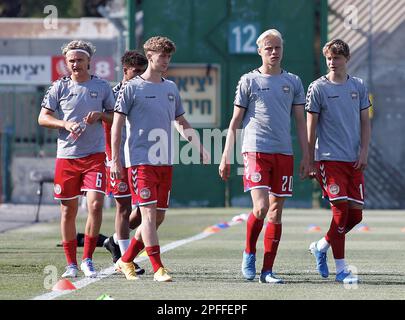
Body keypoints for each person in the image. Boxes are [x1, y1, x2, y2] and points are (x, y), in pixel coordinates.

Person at [111, 36, 209, 282]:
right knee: (149, 217)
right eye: (161, 55)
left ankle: (125, 260)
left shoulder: (171, 88)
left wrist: (199, 146)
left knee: (158, 217)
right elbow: (117, 124)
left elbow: (180, 121)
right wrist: (115, 159)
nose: (165, 60)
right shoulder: (131, 87)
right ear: (149, 55)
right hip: (140, 160)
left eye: (168, 56)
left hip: (164, 161)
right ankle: (158, 268)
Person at [219, 29, 310, 284]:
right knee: (259, 208)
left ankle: (267, 271)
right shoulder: (249, 80)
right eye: (268, 48)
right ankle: (249, 252)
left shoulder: (293, 81)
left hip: (284, 153)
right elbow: (236, 120)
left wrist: (307, 156)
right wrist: (226, 155)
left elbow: (301, 122)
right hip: (255, 149)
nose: (273, 52)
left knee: (276, 213)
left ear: (282, 50)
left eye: (277, 47)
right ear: (260, 51)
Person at [38, 40, 115, 278]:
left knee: (95, 205)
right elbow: (43, 118)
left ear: (89, 61)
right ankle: (71, 264)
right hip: (67, 157)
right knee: (67, 211)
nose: (75, 64)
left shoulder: (102, 87)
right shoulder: (58, 87)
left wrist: (101, 115)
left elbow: (115, 117)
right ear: (66, 62)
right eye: (71, 60)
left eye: (79, 60)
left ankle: (87, 260)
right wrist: (64, 123)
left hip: (94, 156)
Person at [306, 39, 371, 284]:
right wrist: (310, 157)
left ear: (347, 59)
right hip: (329, 159)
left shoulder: (359, 86)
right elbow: (311, 126)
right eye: (329, 58)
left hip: (353, 160)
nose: (332, 62)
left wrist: (364, 150)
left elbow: (365, 121)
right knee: (340, 211)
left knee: (355, 217)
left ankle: (321, 246)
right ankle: (342, 269)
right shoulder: (317, 87)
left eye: (337, 58)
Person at [102, 50, 148, 275]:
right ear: (125, 70)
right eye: (135, 71)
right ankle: (124, 256)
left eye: (142, 71)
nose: (139, 75)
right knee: (123, 207)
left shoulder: (145, 91)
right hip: (119, 158)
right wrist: (112, 160)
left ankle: (113, 240)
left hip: (140, 158)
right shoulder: (112, 95)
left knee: (143, 211)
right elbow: (109, 125)